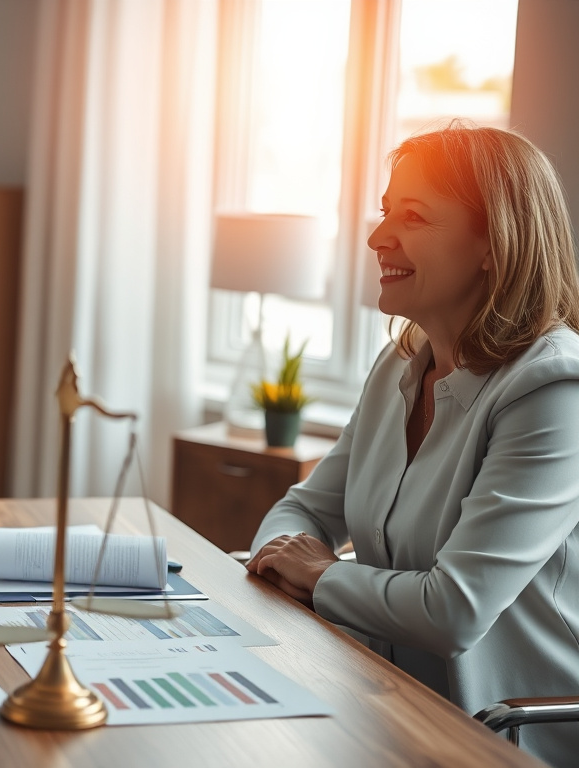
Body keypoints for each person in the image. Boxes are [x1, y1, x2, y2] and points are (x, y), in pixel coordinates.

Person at [247, 122, 579, 765]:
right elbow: (303, 510)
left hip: (505, 735)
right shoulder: (401, 365)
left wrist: (317, 574)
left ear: (494, 243)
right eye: (383, 212)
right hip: (383, 705)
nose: (376, 238)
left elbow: (453, 611)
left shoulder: (553, 391)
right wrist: (287, 556)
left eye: (415, 216)